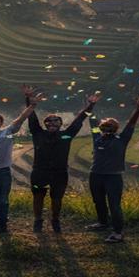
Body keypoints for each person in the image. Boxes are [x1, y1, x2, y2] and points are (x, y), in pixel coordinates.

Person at [25, 88, 98, 234]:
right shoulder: (37, 133)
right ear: (45, 124)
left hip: (60, 173)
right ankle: (38, 220)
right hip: (40, 171)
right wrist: (28, 100)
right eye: (49, 121)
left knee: (57, 198)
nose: (52, 122)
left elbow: (79, 120)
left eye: (55, 120)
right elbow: (31, 117)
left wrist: (90, 106)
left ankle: (55, 220)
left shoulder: (67, 135)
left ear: (61, 124)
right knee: (38, 197)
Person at [0, 86, 43, 233]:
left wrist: (32, 104)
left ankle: (2, 223)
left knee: (3, 200)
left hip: (3, 173)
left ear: (1, 123)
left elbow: (22, 118)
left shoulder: (8, 133)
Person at [85, 94, 139, 243]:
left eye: (110, 127)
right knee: (98, 201)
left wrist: (138, 109)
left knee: (114, 204)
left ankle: (118, 232)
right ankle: (102, 222)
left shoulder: (123, 139)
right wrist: (91, 105)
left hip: (113, 177)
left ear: (116, 129)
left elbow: (131, 124)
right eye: (105, 127)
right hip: (95, 174)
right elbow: (92, 121)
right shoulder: (96, 137)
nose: (107, 129)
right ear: (101, 128)